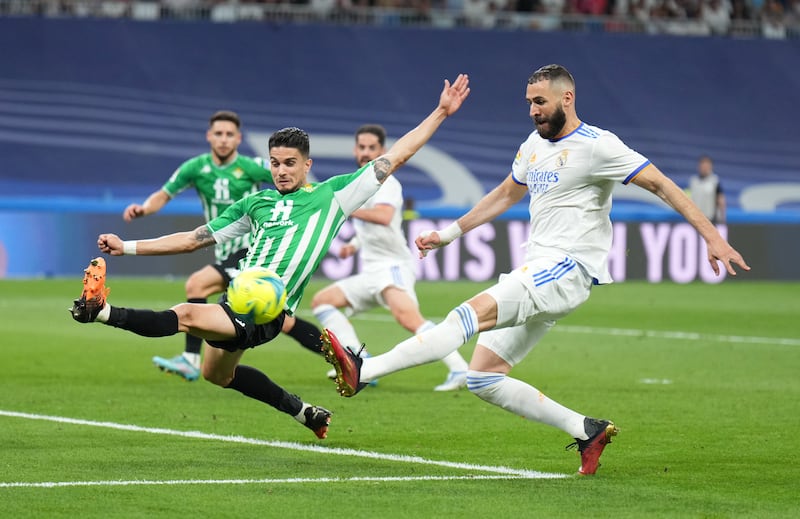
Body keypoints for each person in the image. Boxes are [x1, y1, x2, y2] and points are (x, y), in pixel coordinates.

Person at [322, 64, 750, 473]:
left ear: (567, 97)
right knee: (483, 377)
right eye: (528, 102)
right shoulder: (532, 145)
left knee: (465, 317)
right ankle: (587, 430)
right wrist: (449, 234)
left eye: (540, 101)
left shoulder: (599, 145)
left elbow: (660, 183)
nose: (533, 110)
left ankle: (365, 370)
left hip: (566, 268)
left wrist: (711, 236)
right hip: (542, 269)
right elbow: (505, 194)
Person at [69, 74, 471, 440]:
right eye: (276, 163)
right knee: (217, 375)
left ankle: (102, 312)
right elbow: (195, 238)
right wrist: (129, 246)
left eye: (290, 164)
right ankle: (305, 413)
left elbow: (395, 156)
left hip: (266, 306)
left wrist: (439, 112)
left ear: (307, 165)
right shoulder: (255, 203)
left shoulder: (333, 196)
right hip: (241, 298)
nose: (281, 171)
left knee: (186, 314)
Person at [123, 110, 325, 381]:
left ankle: (190, 359)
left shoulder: (252, 167)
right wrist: (144, 210)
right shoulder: (195, 168)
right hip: (224, 250)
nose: (223, 139)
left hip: (250, 252)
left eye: (229, 134)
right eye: (218, 133)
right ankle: (345, 358)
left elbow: (298, 178)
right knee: (284, 321)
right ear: (209, 136)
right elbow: (164, 193)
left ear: (238, 139)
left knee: (197, 284)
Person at [311, 124, 470, 392]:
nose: (365, 153)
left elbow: (384, 217)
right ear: (354, 149)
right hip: (371, 271)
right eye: (361, 147)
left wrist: (342, 206)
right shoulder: (358, 184)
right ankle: (360, 363)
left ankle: (460, 368)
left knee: (410, 320)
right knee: (322, 302)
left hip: (392, 268)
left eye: (371, 148)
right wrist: (353, 243)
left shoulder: (386, 181)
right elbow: (369, 227)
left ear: (382, 151)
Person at [688, 155, 726, 224]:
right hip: (696, 218)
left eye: (707, 166)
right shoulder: (693, 181)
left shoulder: (715, 181)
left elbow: (720, 199)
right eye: (703, 166)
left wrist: (722, 217)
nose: (704, 168)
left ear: (711, 167)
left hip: (710, 219)